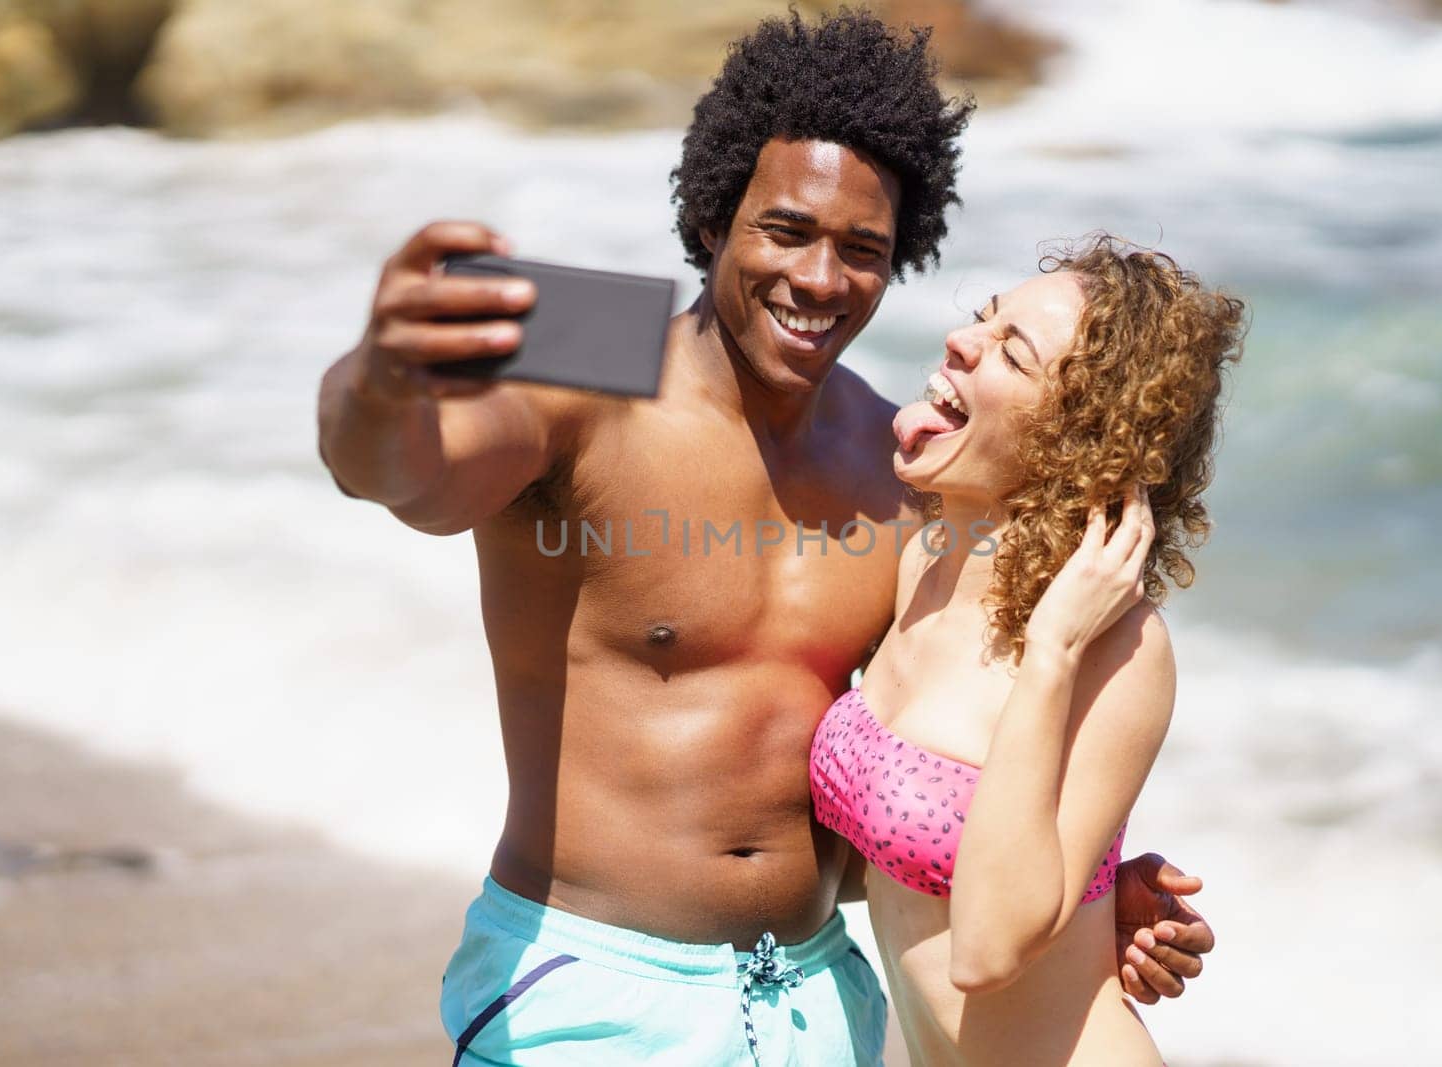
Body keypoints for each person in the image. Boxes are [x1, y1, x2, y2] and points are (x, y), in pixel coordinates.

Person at [316, 11, 1213, 1066]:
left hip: (817, 997)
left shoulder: (898, 458)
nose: (822, 280)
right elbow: (400, 473)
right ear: (711, 218)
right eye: (785, 230)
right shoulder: (586, 352)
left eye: (863, 251)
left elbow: (949, 725)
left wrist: (1082, 883)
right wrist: (378, 376)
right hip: (592, 987)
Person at [811, 237, 1245, 1066]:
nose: (961, 342)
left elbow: (982, 952)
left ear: (1074, 441)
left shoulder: (1119, 648)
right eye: (985, 317)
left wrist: (1050, 649)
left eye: (1011, 349)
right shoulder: (919, 562)